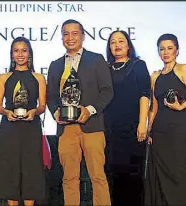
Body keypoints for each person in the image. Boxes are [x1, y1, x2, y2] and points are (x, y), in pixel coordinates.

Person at [46, 19, 114, 206]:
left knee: (97, 177)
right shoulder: (55, 65)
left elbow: (107, 91)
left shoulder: (96, 59)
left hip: (92, 126)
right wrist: (55, 113)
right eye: (66, 34)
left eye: (75, 33)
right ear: (61, 38)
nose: (70, 37)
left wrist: (89, 110)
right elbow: (50, 96)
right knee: (69, 178)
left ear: (83, 36)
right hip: (66, 130)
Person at [0, 37, 46, 206]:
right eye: (16, 51)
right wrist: (6, 112)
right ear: (11, 54)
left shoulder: (39, 77)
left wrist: (34, 111)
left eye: (24, 50)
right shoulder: (3, 78)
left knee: (31, 169)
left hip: (31, 128)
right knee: (10, 170)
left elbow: (42, 106)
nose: (20, 54)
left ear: (29, 54)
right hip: (9, 129)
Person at [145, 33, 186, 206]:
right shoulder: (154, 76)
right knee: (160, 173)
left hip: (178, 127)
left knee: (178, 170)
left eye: (169, 48)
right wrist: (149, 130)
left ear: (177, 50)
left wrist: (181, 106)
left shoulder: (183, 69)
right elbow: (153, 107)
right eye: (162, 49)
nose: (166, 52)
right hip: (159, 129)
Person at [104, 30, 150, 206]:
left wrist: (142, 123)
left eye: (121, 41)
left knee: (133, 175)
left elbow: (145, 94)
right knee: (114, 175)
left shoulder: (138, 65)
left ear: (128, 45)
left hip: (133, 128)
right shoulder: (105, 68)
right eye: (113, 42)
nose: (117, 45)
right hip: (110, 129)